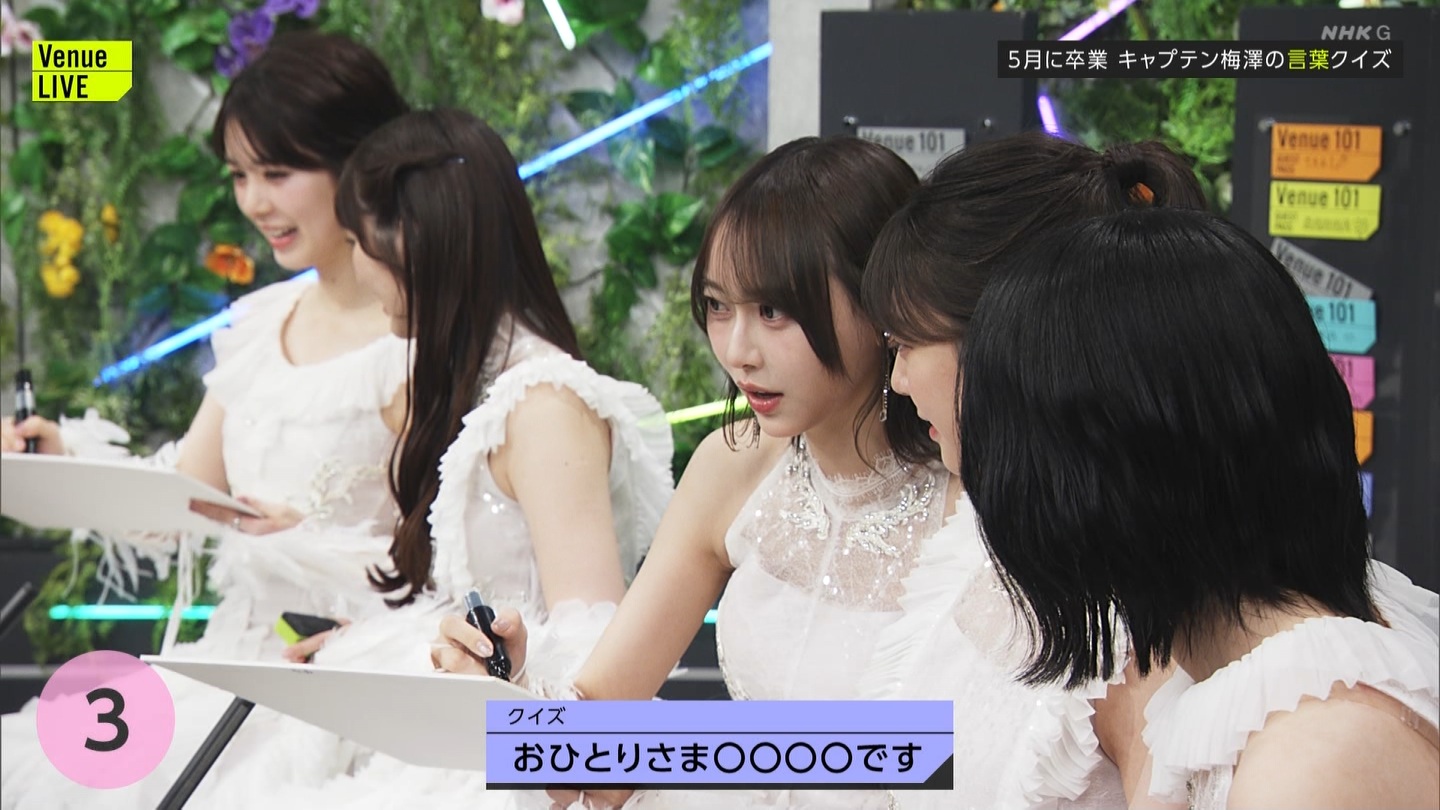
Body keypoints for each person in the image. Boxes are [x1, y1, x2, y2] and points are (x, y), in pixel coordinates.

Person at [436, 135, 956, 810]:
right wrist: (506, 690)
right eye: (718, 306)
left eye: (773, 311)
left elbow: (963, 754)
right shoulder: (731, 465)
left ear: (878, 299)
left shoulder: (969, 498)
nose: (738, 352)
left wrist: (697, 749)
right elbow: (596, 746)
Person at [1, 32, 411, 810]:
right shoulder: (262, 323)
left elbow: (467, 560)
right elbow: (186, 499)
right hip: (225, 668)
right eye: (239, 176)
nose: (254, 203)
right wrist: (61, 457)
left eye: (278, 174)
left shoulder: (427, 336)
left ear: (362, 164)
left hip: (351, 686)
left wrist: (312, 549)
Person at [252, 106, 674, 808]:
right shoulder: (468, 381)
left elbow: (595, 649)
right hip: (468, 744)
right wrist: (372, 646)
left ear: (417, 244)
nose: (355, 268)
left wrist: (408, 660)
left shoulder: (544, 405)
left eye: (360, 242)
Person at [958, 207, 1438, 809]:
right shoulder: (1230, 673)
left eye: (905, 340)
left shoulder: (1312, 746)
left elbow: (924, 749)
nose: (900, 379)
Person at [852, 133, 1210, 810]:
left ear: (1010, 336)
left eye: (905, 344)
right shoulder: (986, 540)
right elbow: (912, 753)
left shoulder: (1135, 636)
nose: (896, 381)